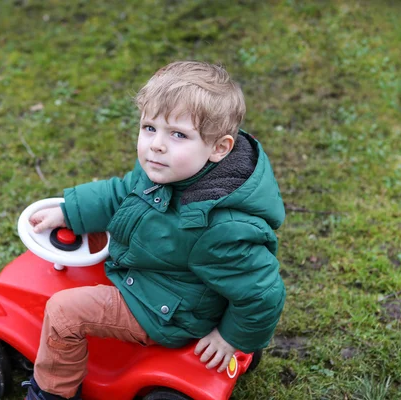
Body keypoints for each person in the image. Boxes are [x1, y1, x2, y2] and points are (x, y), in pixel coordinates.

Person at [23, 61, 286, 400]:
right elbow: (122, 192)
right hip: (163, 281)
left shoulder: (221, 227)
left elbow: (263, 293)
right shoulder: (171, 170)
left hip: (164, 310)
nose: (157, 145)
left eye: (178, 134)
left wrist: (232, 338)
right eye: (149, 127)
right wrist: (70, 211)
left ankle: (51, 393)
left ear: (220, 148)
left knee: (63, 311)